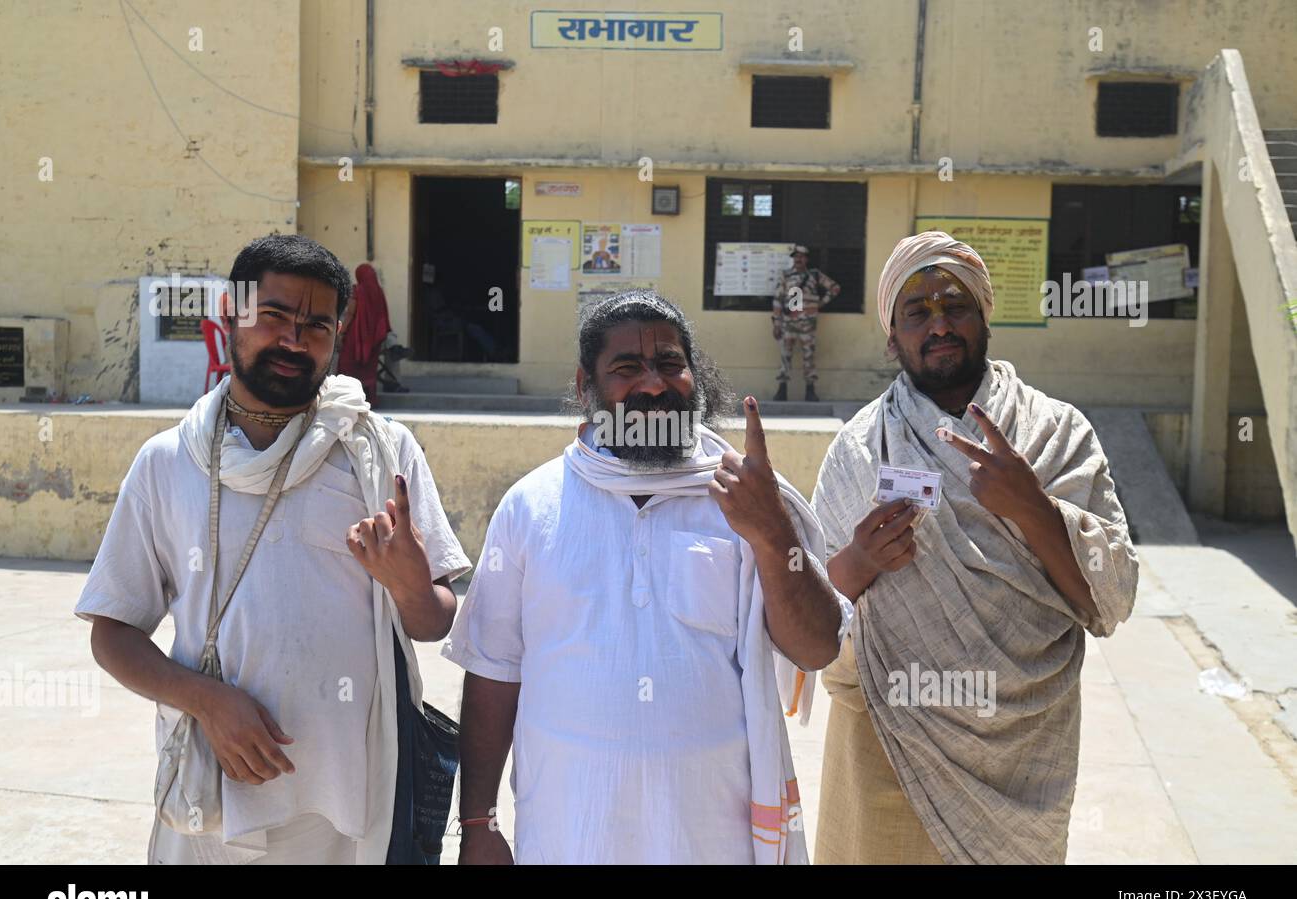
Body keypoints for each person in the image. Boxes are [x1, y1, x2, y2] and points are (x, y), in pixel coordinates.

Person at [76, 234, 471, 864]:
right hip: (212, 800)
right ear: (230, 315)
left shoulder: (380, 452)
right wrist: (206, 701)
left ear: (337, 336)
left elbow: (431, 622)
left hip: (351, 808)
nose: (294, 339)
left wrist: (409, 586)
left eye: (317, 324)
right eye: (275, 316)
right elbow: (111, 632)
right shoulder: (167, 462)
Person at [443, 290, 854, 864]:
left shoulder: (745, 499)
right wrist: (478, 822)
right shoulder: (530, 507)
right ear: (586, 386)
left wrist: (771, 532)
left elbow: (815, 647)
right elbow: (492, 674)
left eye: (669, 363)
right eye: (627, 367)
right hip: (568, 832)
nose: (654, 384)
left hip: (711, 837)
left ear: (694, 376)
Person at [811, 231, 1138, 864]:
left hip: (1023, 751)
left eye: (954, 305)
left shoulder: (1057, 433)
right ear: (892, 336)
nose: (939, 324)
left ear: (984, 314)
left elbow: (1109, 600)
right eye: (918, 311)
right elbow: (813, 611)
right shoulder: (858, 449)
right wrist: (859, 561)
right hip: (886, 735)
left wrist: (1031, 506)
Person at [771, 244, 840, 403]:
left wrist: (820, 303)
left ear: (806, 259)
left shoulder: (814, 275)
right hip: (788, 324)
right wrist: (776, 322)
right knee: (785, 356)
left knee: (809, 357)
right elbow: (777, 299)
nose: (798, 259)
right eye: (796, 257)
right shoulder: (786, 276)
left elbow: (834, 288)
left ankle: (810, 391)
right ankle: (782, 391)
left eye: (801, 256)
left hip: (808, 325)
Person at [337, 263, 391, 407]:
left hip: (355, 337)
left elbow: (350, 313)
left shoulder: (357, 291)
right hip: (373, 339)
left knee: (347, 365)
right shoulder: (378, 292)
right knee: (369, 370)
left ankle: (347, 400)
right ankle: (370, 400)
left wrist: (341, 333)